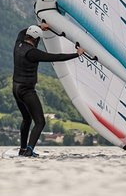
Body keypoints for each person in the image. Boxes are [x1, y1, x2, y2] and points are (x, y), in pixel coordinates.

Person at [12, 22, 84, 157]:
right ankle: (29, 150)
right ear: (36, 39)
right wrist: (77, 54)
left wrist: (39, 26)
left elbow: (23, 31)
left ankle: (22, 149)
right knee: (40, 121)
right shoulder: (32, 53)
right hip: (26, 90)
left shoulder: (18, 44)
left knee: (27, 119)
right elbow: (56, 57)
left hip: (16, 88)